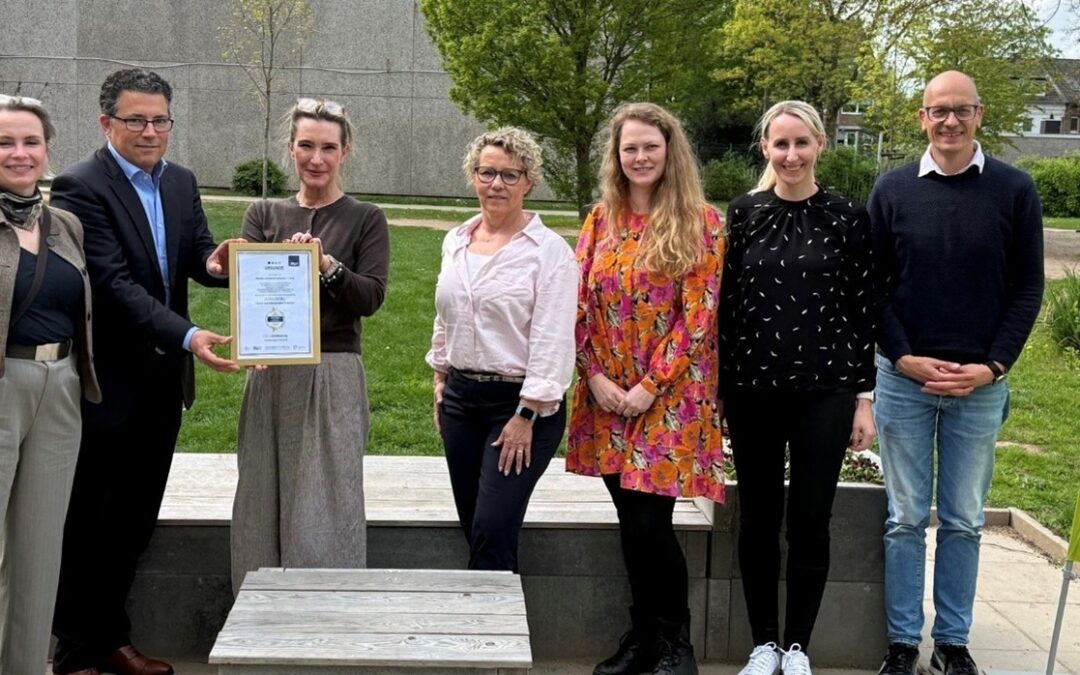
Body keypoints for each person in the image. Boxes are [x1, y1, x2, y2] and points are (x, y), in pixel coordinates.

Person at [49, 69, 239, 675]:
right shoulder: (81, 186)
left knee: (134, 521)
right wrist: (188, 334)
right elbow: (113, 284)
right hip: (107, 382)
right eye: (136, 120)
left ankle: (112, 639)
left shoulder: (180, 181)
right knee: (90, 520)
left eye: (160, 120)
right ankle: (75, 651)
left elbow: (195, 255)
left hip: (162, 385)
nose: (150, 131)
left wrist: (223, 263)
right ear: (106, 123)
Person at [870, 71, 1044, 675]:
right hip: (904, 381)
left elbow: (1028, 287)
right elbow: (872, 287)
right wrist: (902, 356)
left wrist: (992, 366)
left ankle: (951, 643)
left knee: (965, 521)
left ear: (979, 114)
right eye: (938, 111)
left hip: (979, 386)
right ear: (922, 117)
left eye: (961, 110)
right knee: (904, 518)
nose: (949, 121)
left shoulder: (1014, 189)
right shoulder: (892, 189)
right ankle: (901, 644)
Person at [567, 102, 725, 675]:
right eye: (629, 148)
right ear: (616, 155)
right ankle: (642, 637)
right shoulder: (600, 220)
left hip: (669, 398)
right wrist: (595, 375)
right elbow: (575, 304)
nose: (639, 157)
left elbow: (699, 317)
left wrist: (650, 386)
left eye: (650, 147)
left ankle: (674, 643)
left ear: (669, 151)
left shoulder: (701, 222)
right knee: (629, 524)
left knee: (651, 523)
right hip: (607, 395)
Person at [720, 101, 876, 675]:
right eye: (780, 144)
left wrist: (864, 399)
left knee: (811, 521)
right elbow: (726, 308)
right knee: (758, 520)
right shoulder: (743, 213)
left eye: (801, 143)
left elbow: (863, 311)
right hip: (753, 390)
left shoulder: (848, 217)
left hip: (826, 392)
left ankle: (797, 647)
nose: (791, 155)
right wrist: (719, 393)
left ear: (820, 145)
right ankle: (764, 644)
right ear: (765, 147)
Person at [230, 97, 390, 591]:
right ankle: (257, 603)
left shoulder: (365, 218)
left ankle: (326, 602)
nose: (316, 158)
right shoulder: (264, 213)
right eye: (306, 146)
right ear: (290, 148)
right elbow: (253, 291)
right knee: (261, 494)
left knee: (326, 501)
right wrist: (254, 340)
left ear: (345, 152)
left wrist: (326, 266)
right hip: (271, 372)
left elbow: (371, 297)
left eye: (328, 147)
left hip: (333, 372)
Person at [426, 127, 576, 571]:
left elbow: (553, 339)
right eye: (487, 172)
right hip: (460, 400)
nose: (497, 184)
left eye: (510, 175)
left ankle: (487, 616)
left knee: (492, 526)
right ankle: (488, 605)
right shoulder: (456, 240)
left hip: (521, 406)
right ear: (473, 176)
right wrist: (440, 377)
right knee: (474, 523)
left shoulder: (549, 252)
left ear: (529, 182)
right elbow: (445, 314)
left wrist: (526, 414)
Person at [0, 94, 100, 674]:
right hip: (3, 384)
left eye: (31, 141)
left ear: (46, 149)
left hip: (61, 386)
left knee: (40, 551)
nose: (20, 153)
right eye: (5, 142)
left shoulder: (63, 225)